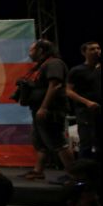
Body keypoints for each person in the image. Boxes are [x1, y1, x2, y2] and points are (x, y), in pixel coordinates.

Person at [20, 39, 74, 181]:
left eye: (32, 49)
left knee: (58, 141)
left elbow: (54, 85)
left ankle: (74, 175)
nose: (29, 52)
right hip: (39, 109)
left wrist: (44, 107)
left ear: (40, 50)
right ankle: (38, 171)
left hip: (51, 110)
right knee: (40, 142)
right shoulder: (41, 66)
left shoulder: (54, 63)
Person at [66, 41, 101, 160]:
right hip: (85, 111)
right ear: (84, 52)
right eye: (92, 49)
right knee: (87, 142)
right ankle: (84, 170)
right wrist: (87, 102)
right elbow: (68, 91)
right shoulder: (77, 70)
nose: (96, 51)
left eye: (98, 48)